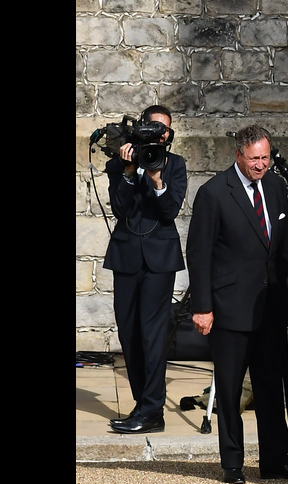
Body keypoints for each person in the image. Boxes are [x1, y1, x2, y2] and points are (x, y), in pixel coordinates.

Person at [186, 124, 288, 484]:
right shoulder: (213, 193)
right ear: (238, 155)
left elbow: (282, 245)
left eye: (266, 157)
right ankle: (232, 463)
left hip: (270, 305)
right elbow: (199, 254)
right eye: (254, 158)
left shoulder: (275, 186)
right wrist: (202, 306)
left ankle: (276, 459)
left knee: (271, 386)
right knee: (229, 389)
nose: (261, 165)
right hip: (229, 307)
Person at [104, 104, 187, 434]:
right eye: (155, 127)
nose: (160, 134)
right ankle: (145, 406)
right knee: (129, 333)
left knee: (152, 335)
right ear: (142, 127)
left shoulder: (174, 165)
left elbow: (170, 210)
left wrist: (155, 178)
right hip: (126, 257)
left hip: (159, 260)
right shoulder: (118, 163)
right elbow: (119, 209)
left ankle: (152, 408)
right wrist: (127, 172)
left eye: (165, 129)